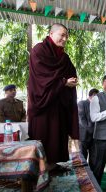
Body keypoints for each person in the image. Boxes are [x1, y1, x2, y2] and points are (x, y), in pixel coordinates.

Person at [28, 23, 79, 168]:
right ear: (51, 34)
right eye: (62, 35)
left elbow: (71, 72)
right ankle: (41, 168)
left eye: (66, 37)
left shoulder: (64, 57)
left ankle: (53, 165)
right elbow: (41, 77)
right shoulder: (38, 50)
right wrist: (63, 82)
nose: (64, 39)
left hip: (58, 105)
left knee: (57, 137)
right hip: (42, 105)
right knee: (43, 137)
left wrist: (72, 80)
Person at [78, 88, 99, 170]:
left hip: (94, 136)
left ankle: (92, 177)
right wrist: (91, 130)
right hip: (84, 135)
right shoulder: (82, 103)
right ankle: (83, 176)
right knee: (82, 157)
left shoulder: (97, 106)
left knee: (93, 159)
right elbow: (81, 119)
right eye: (96, 97)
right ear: (92, 95)